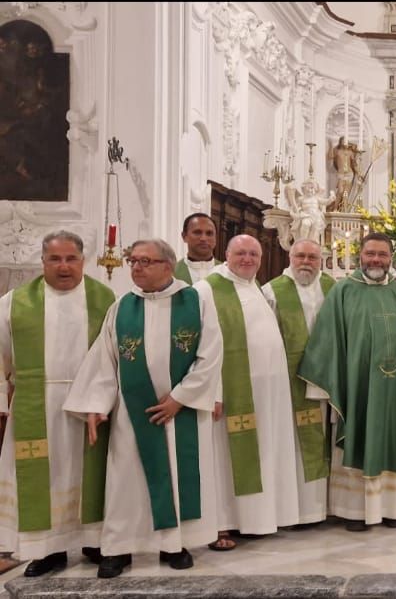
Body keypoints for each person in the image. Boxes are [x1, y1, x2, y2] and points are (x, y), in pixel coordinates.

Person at [65, 239, 222, 578]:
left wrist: (180, 398)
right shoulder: (123, 306)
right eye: (133, 261)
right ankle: (118, 548)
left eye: (145, 261)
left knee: (178, 477)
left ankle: (175, 545)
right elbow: (105, 360)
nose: (136, 267)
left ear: (168, 265)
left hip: (180, 413)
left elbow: (211, 354)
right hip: (131, 414)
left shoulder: (195, 301)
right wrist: (96, 404)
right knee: (125, 481)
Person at [0, 231, 115, 576]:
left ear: (83, 261)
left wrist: (107, 399)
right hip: (37, 403)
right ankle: (47, 549)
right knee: (45, 477)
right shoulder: (15, 302)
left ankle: (95, 540)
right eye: (55, 259)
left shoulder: (105, 299)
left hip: (91, 403)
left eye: (71, 259)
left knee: (90, 472)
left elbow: (114, 355)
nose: (64, 266)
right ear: (43, 261)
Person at [300, 233, 396, 531]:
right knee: (358, 436)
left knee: (395, 437)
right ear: (360, 255)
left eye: (382, 255)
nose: (376, 260)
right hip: (358, 388)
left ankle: (394, 508)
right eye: (370, 254)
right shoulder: (344, 291)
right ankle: (354, 511)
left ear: (392, 258)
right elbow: (328, 338)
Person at [194, 235, 300, 550]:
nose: (247, 259)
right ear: (226, 255)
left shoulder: (256, 287)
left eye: (254, 254)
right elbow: (201, 346)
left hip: (267, 393)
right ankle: (220, 524)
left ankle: (255, 520)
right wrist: (212, 391)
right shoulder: (207, 289)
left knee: (264, 452)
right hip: (232, 392)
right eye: (240, 253)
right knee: (224, 460)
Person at [261, 239, 337, 526]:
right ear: (290, 258)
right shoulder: (272, 290)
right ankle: (294, 509)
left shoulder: (333, 287)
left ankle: (323, 507)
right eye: (301, 256)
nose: (306, 262)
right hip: (288, 380)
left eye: (312, 257)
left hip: (327, 378)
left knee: (325, 438)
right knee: (291, 442)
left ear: (321, 260)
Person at [174, 213, 219, 285]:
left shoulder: (228, 273)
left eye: (209, 233)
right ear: (184, 236)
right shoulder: (171, 274)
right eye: (197, 233)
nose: (203, 238)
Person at [285, 181, 334, 245]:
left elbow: (325, 202)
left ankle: (312, 243)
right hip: (306, 216)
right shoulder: (301, 199)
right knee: (305, 224)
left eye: (313, 188)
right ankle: (303, 241)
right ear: (304, 189)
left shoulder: (316, 198)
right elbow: (295, 208)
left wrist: (330, 199)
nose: (311, 190)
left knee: (315, 230)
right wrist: (296, 213)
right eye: (309, 188)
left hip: (316, 217)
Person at [328, 136, 356, 212]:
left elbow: (354, 164)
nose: (344, 143)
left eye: (346, 141)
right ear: (340, 142)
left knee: (346, 193)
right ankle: (335, 208)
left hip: (349, 174)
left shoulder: (350, 152)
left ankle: (345, 210)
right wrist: (330, 145)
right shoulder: (337, 150)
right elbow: (330, 157)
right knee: (340, 191)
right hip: (341, 174)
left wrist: (359, 173)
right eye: (343, 141)